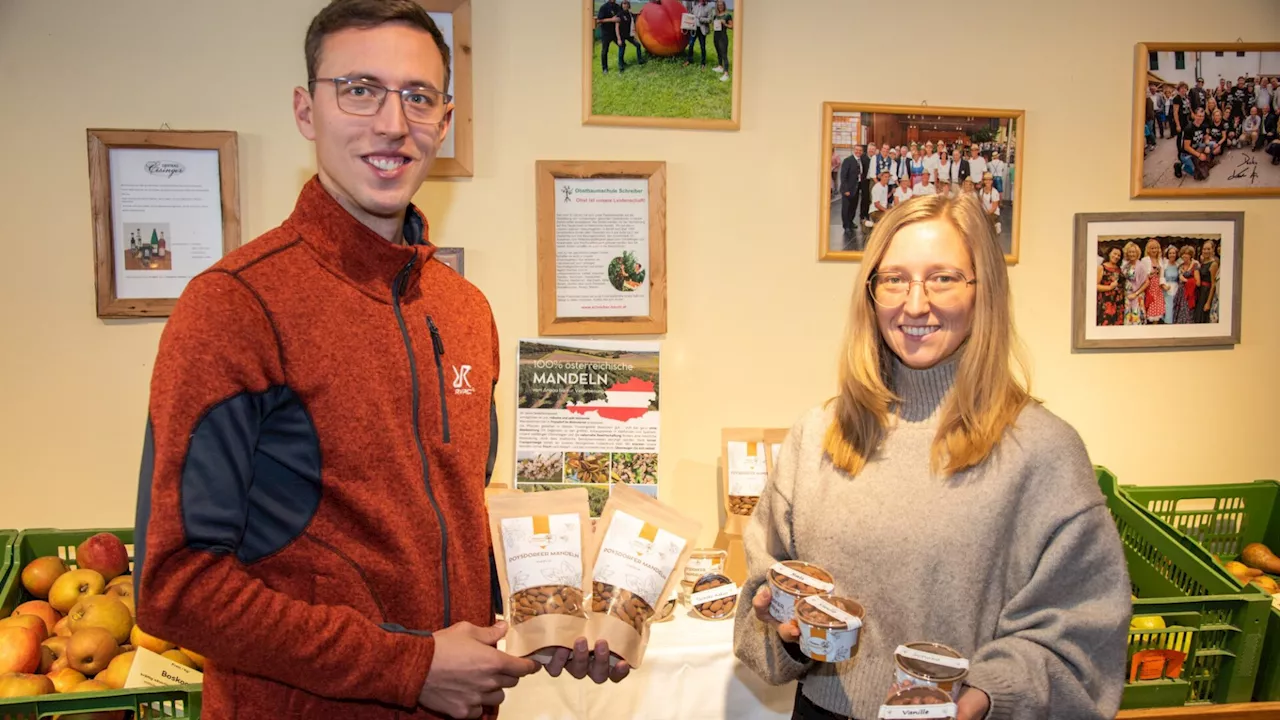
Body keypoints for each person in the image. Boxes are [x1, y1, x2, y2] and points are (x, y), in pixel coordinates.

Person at [132, 2, 628, 718]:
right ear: (307, 110)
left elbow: (450, 526)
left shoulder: (464, 311)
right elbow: (175, 586)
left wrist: (558, 614)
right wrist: (411, 665)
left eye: (418, 97)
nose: (393, 123)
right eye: (359, 89)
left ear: (445, 121)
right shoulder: (233, 306)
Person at [732, 193, 1131, 720]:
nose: (915, 304)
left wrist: (989, 693)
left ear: (983, 291)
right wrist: (785, 636)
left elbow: (1082, 634)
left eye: (942, 278)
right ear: (870, 294)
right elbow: (759, 604)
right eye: (894, 279)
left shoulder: (1043, 452)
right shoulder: (817, 438)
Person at [614, 0, 646, 73]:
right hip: (621, 36)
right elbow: (616, 27)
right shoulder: (619, 14)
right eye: (624, 4)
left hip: (629, 35)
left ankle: (640, 60)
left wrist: (641, 12)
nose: (625, 5)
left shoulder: (630, 14)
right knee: (621, 50)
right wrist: (618, 39)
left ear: (629, 5)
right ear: (621, 5)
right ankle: (621, 66)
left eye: (626, 4)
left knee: (638, 45)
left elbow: (636, 15)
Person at [595, 0, 622, 74]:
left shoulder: (618, 7)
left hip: (615, 32)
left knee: (622, 46)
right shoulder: (604, 7)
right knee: (605, 51)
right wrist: (611, 20)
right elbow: (598, 20)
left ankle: (621, 63)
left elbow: (622, 15)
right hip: (606, 33)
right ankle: (605, 68)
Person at [711, 0, 733, 82]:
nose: (720, 6)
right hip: (716, 36)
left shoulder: (728, 15)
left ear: (724, 6)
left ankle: (726, 73)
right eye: (718, 5)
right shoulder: (715, 15)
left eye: (721, 5)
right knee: (718, 52)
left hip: (723, 37)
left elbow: (732, 26)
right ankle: (720, 67)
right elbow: (713, 25)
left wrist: (725, 24)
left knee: (724, 54)